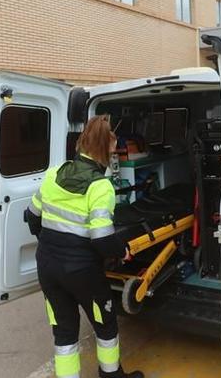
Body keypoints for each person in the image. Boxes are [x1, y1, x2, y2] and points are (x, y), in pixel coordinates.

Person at [24, 116, 144, 378]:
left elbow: (32, 216)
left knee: (64, 330)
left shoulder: (55, 173)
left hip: (47, 265)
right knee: (105, 322)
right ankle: (111, 375)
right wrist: (121, 251)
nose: (115, 155)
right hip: (82, 272)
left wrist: (50, 243)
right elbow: (101, 239)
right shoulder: (100, 186)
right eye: (113, 150)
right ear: (102, 149)